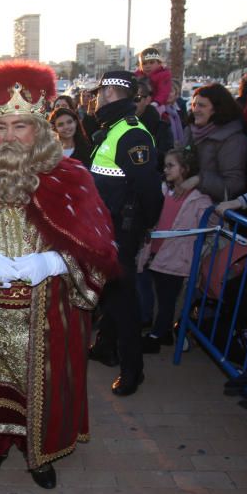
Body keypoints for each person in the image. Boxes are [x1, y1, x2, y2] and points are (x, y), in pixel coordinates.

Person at [0, 59, 119, 487]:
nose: (9, 137)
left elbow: (100, 242)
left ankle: (40, 454)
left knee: (46, 385)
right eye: (1, 127)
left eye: (20, 126)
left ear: (39, 129)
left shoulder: (72, 177)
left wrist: (54, 262)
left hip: (50, 309)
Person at [86, 70, 163, 397]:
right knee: (109, 296)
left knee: (123, 301)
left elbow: (150, 192)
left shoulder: (131, 134)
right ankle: (106, 345)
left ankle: (132, 371)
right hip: (105, 229)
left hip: (120, 232)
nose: (97, 99)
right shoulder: (111, 130)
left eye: (103, 93)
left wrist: (140, 229)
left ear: (116, 94)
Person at [136, 146, 212, 354]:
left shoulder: (199, 200)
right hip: (156, 252)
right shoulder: (164, 191)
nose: (166, 170)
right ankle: (161, 330)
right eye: (165, 166)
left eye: (171, 166)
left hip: (177, 257)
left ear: (185, 169)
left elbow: (211, 226)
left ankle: (158, 334)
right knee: (155, 292)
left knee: (168, 298)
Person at [181, 83, 247, 202]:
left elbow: (234, 185)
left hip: (211, 210)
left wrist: (199, 180)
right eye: (194, 104)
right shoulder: (189, 131)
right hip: (186, 202)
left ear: (217, 109)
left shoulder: (233, 139)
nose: (195, 109)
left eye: (201, 105)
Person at [134, 47, 171, 117]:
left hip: (157, 106)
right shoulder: (137, 76)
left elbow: (163, 91)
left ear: (159, 63)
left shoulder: (164, 75)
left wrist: (156, 102)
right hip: (140, 105)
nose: (148, 66)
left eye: (151, 62)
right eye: (144, 63)